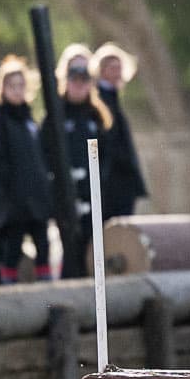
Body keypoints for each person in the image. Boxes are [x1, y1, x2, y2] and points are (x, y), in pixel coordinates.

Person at [0, 56, 55, 283]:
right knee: (12, 247)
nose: (17, 90)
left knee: (43, 244)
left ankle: (46, 288)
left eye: (20, 85)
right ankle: (9, 289)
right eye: (11, 86)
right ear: (2, 88)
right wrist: (10, 189)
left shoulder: (29, 119)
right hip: (13, 199)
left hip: (36, 195)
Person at [54, 58, 116, 279]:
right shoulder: (57, 114)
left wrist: (98, 180)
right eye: (75, 81)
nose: (79, 86)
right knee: (69, 246)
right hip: (65, 193)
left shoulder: (96, 115)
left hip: (93, 193)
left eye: (83, 81)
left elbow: (107, 153)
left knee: (92, 246)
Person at [93, 43, 149, 218]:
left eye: (119, 68)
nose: (117, 73)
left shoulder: (113, 98)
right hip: (112, 181)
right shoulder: (101, 98)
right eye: (112, 68)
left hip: (121, 179)